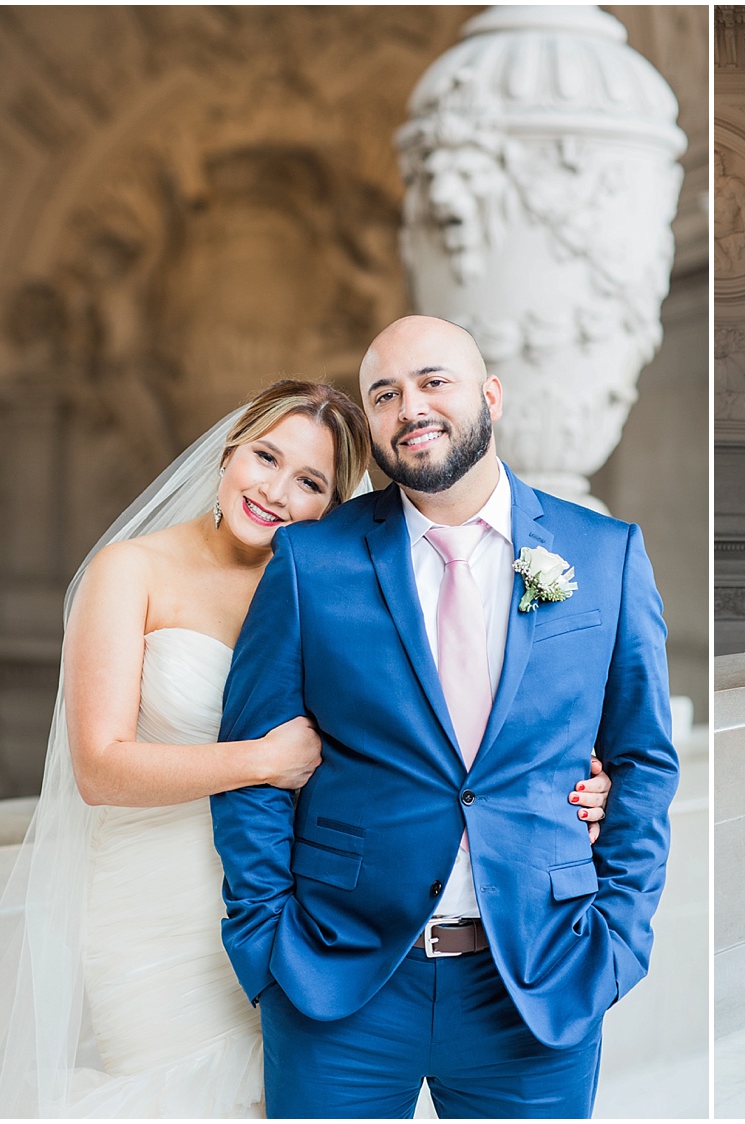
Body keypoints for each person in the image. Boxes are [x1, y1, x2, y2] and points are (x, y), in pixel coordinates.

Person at [0, 379, 612, 1118]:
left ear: (332, 507)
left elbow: (432, 733)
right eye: (265, 457)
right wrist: (261, 761)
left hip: (312, 916)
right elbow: (99, 768)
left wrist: (574, 782)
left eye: (308, 482)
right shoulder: (132, 572)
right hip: (157, 902)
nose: (275, 490)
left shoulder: (333, 585)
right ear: (229, 454)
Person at [210, 315, 679, 1118]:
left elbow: (643, 758)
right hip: (341, 983)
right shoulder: (312, 561)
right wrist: (268, 943)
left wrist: (619, 937)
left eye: (434, 382)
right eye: (384, 394)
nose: (409, 407)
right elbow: (252, 760)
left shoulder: (606, 555)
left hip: (538, 979)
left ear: (490, 396)